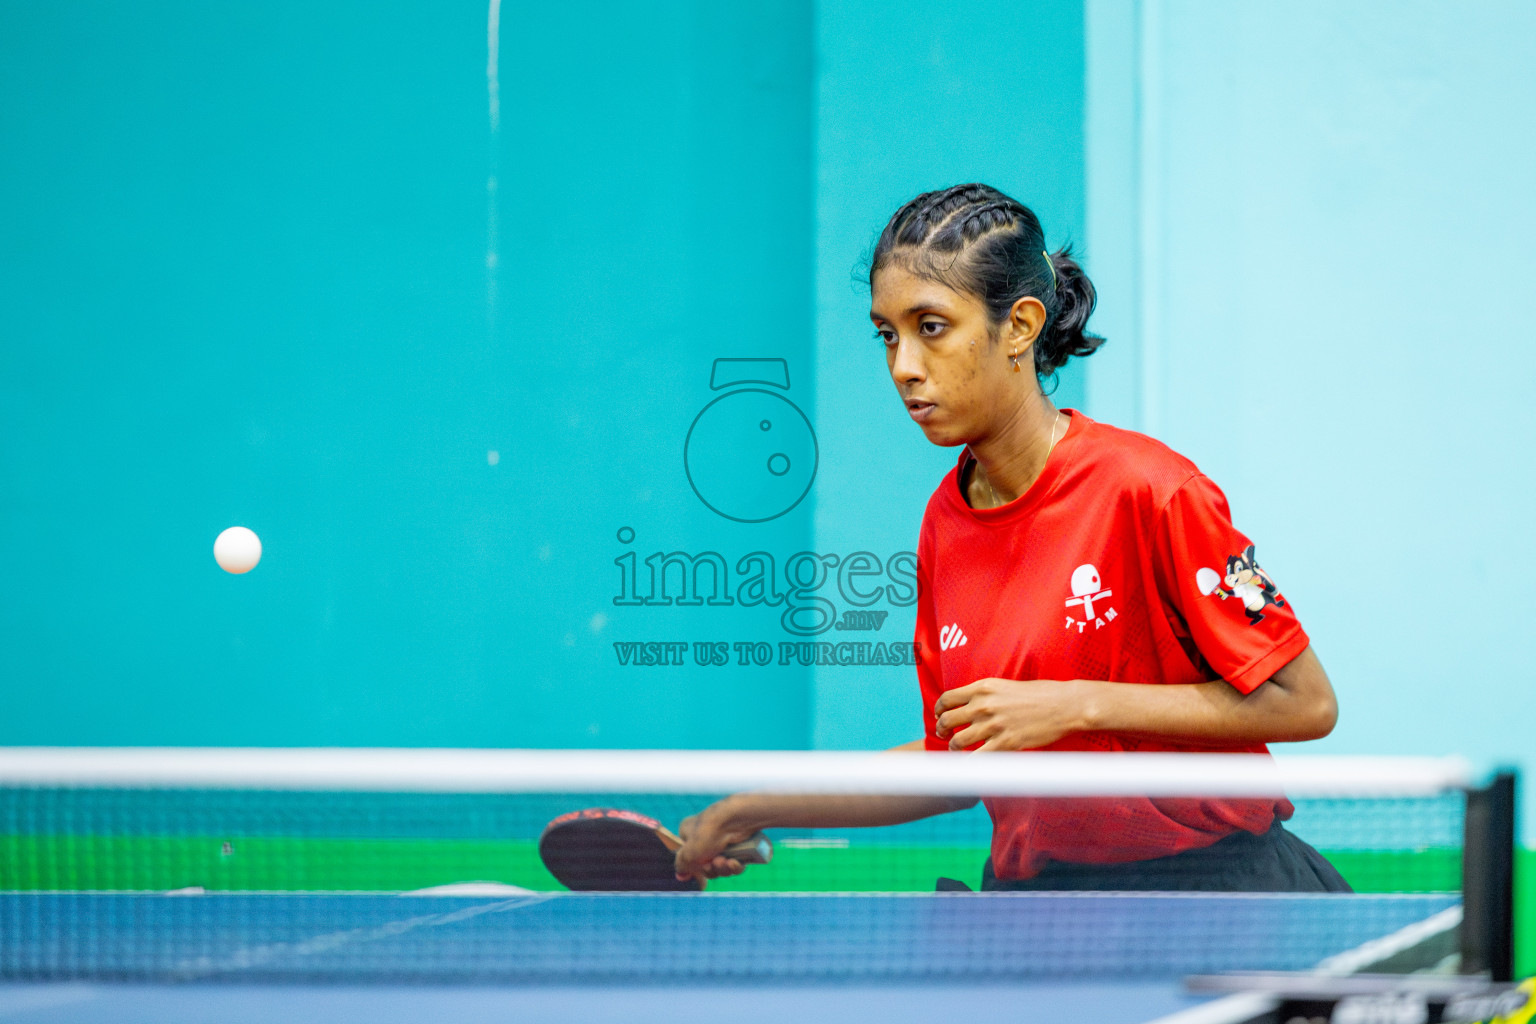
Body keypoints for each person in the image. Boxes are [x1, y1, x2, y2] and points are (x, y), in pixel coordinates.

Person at [674, 183, 1348, 893]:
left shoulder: (1150, 490)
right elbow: (959, 762)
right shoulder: (945, 520)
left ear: (1020, 326)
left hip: (1216, 894)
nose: (903, 365)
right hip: (1044, 911)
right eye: (887, 334)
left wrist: (1075, 704)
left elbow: (1305, 702)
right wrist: (760, 806)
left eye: (930, 326)